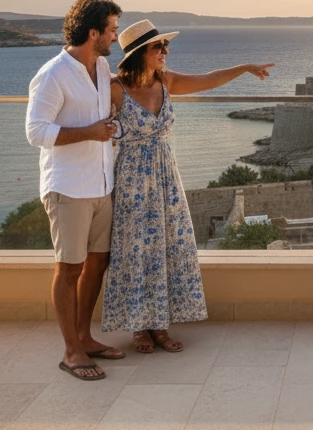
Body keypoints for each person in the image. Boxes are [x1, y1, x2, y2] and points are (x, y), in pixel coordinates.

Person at [100, 19, 273, 353]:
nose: (165, 51)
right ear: (139, 54)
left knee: (166, 247)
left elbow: (208, 80)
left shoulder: (167, 82)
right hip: (132, 180)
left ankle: (160, 326)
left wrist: (244, 68)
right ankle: (139, 328)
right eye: (158, 47)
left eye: (166, 46)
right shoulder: (114, 89)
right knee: (136, 251)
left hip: (167, 177)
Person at [26, 0, 125, 381]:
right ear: (93, 32)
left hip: (102, 183)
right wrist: (89, 133)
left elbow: (113, 98)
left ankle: (85, 336)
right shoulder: (52, 75)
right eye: (113, 29)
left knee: (97, 262)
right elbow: (35, 131)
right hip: (68, 188)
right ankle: (70, 351)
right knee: (70, 268)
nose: (116, 37)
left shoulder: (100, 67)